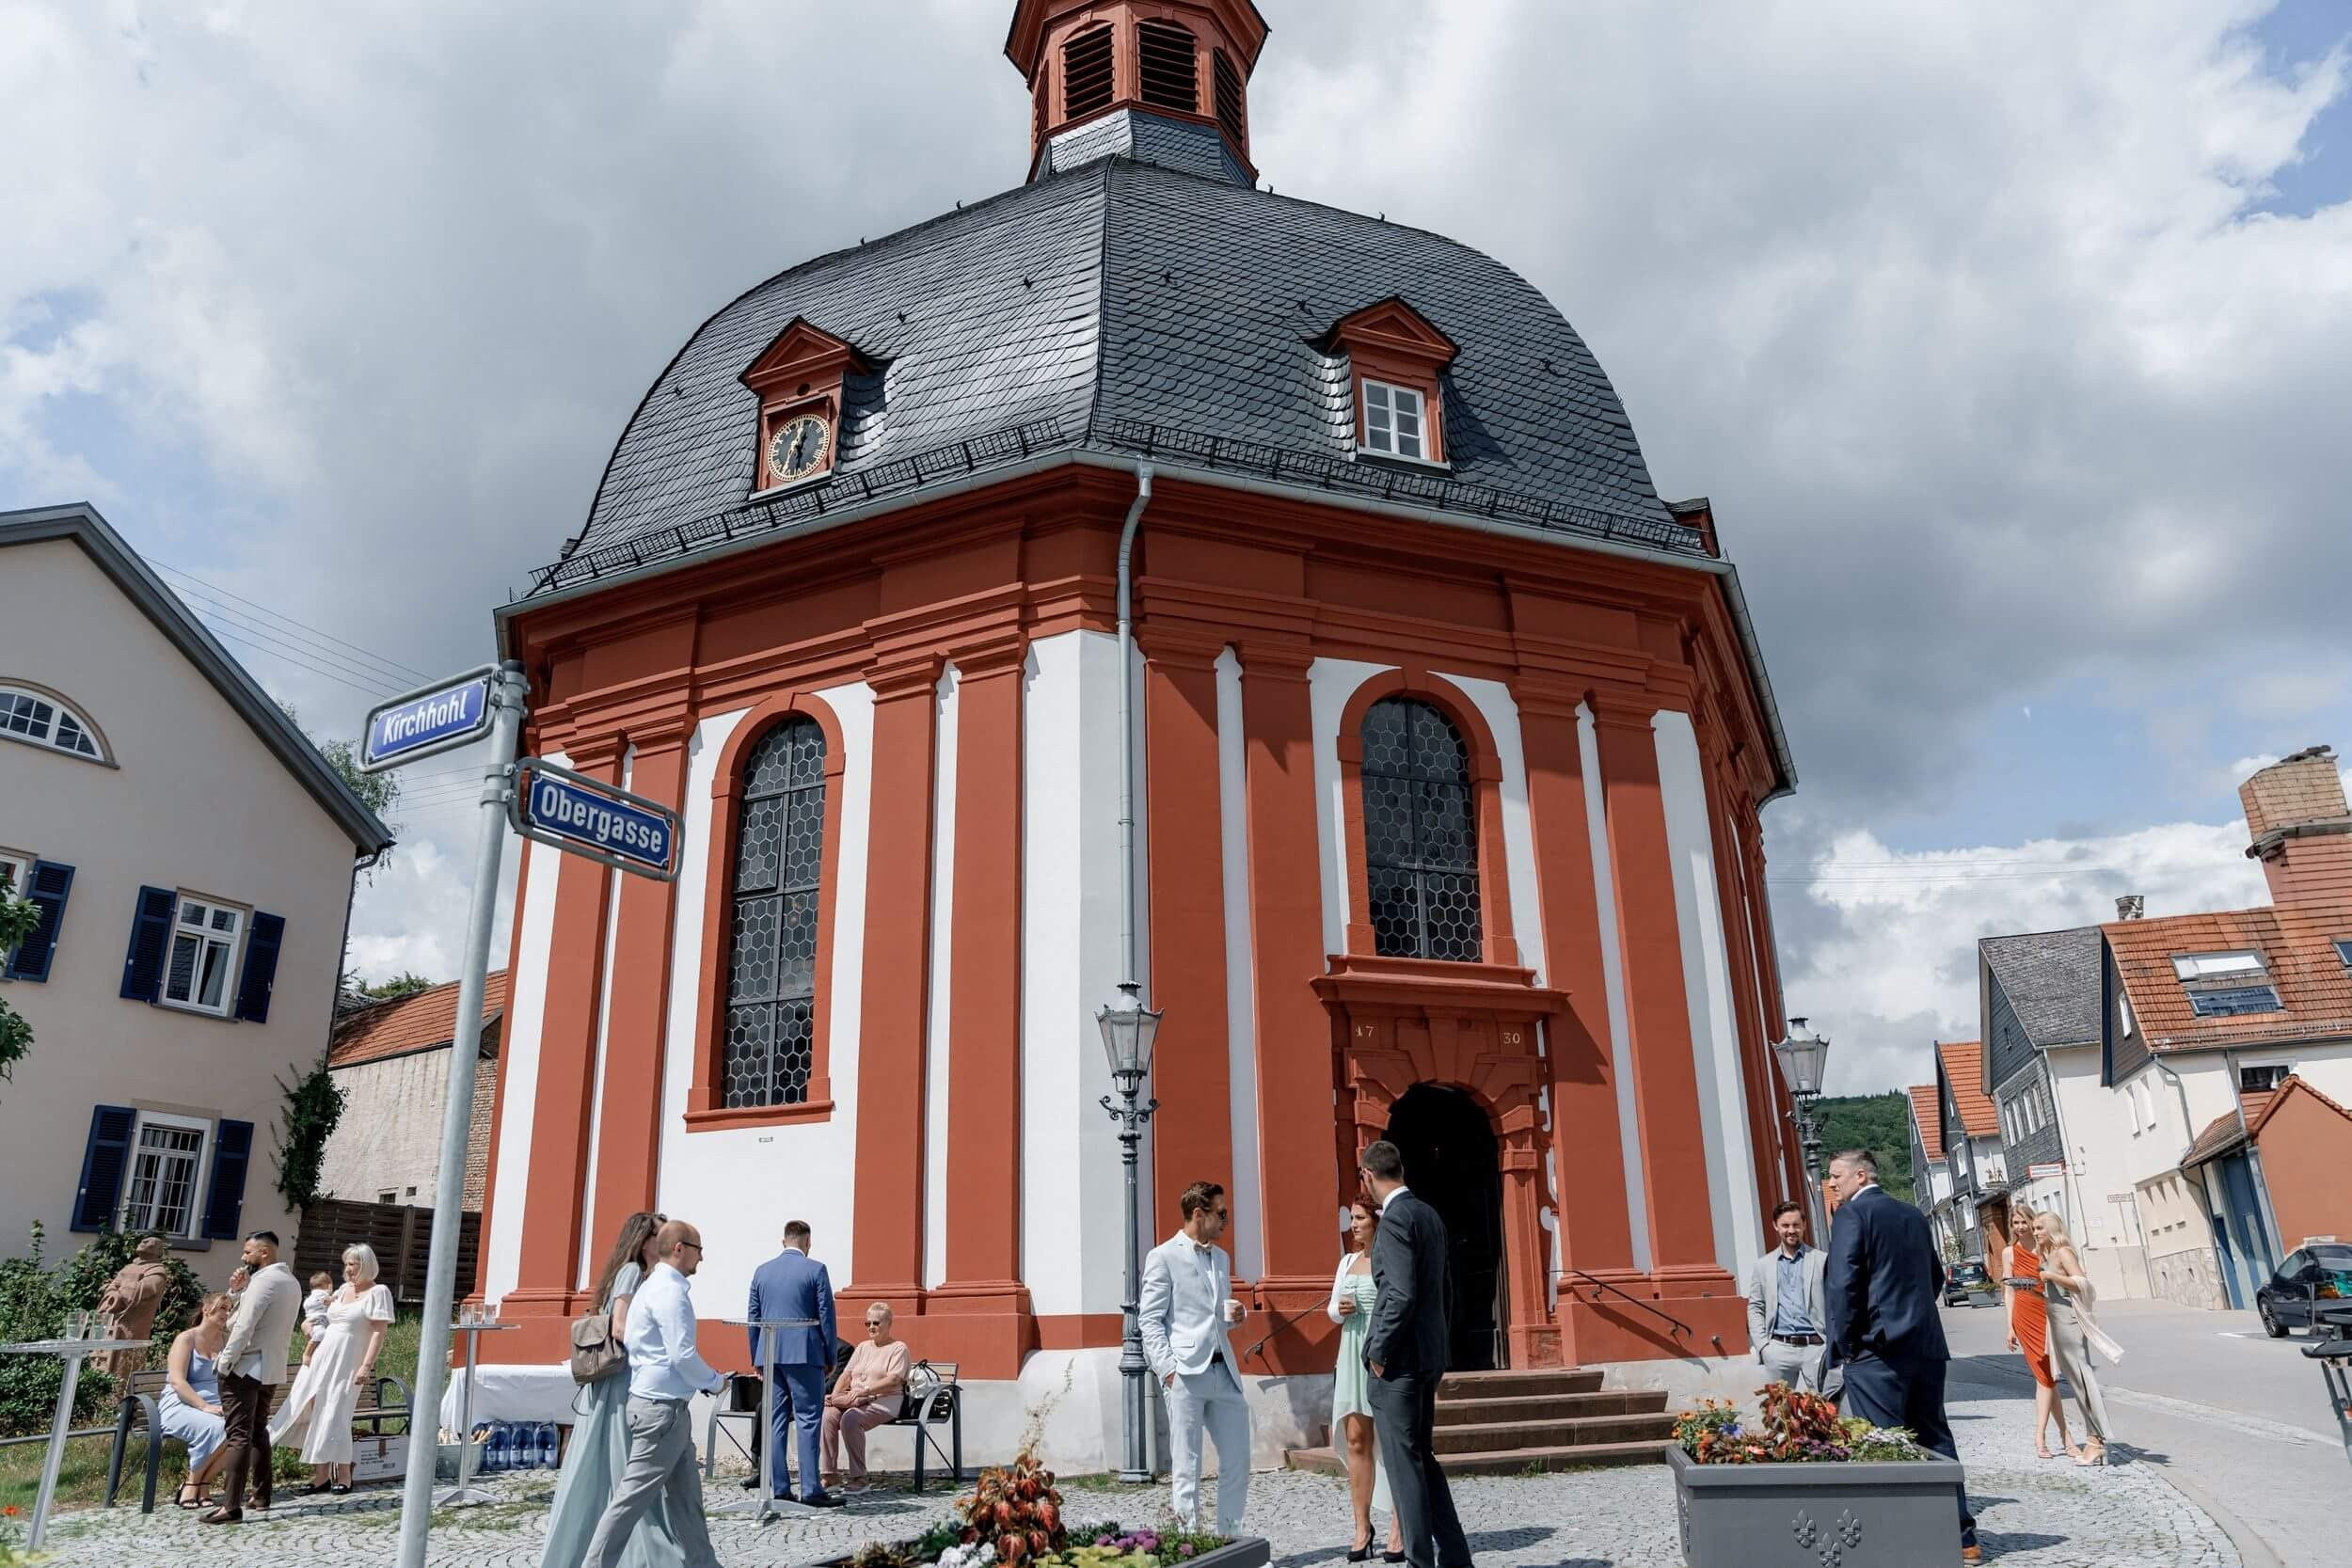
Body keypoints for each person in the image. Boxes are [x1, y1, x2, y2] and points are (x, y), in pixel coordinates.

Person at [1823, 1149, 1977, 1563]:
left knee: (1884, 1444)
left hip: (1878, 1350)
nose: (1831, 1184)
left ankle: (1900, 1542)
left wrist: (1846, 1345)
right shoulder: (1912, 1214)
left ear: (1860, 1175)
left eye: (1836, 1176)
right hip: (1925, 1346)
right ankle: (1962, 1537)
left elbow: (1844, 1285)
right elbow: (1935, 1276)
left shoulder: (1852, 1216)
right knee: (1936, 1438)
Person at [541, 1211, 688, 1568]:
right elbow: (621, 1328)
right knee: (624, 1464)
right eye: (659, 1235)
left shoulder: (645, 1275)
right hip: (623, 1381)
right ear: (644, 1240)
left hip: (623, 1380)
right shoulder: (633, 1272)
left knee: (617, 1463)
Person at [580, 1219, 725, 1568]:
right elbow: (682, 1354)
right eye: (698, 1250)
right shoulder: (669, 1292)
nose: (701, 1259)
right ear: (679, 1249)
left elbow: (630, 1336)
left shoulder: (651, 1285)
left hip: (662, 1407)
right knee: (631, 1499)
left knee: (687, 1498)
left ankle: (703, 1563)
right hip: (661, 1410)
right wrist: (716, 1381)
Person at [1358, 1141, 1470, 1568]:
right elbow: (1444, 1289)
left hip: (1400, 1363)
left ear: (1367, 1175)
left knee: (1406, 1469)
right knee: (1423, 1458)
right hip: (1427, 1359)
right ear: (1400, 1169)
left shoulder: (1397, 1219)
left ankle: (1421, 1562)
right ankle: (1456, 1559)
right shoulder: (1428, 1214)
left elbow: (1399, 1293)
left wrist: (1379, 1350)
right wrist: (1439, 1348)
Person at [1139, 1180, 1251, 1535]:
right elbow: (1149, 1320)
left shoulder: (1221, 1257)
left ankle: (1230, 1539)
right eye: (1221, 1213)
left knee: (1237, 1460)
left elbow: (1213, 1318)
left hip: (1224, 1372)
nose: (1226, 1221)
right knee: (1187, 1466)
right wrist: (1168, 1371)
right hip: (1185, 1374)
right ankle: (1189, 1543)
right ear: (1199, 1214)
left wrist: (1236, 1318)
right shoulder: (1163, 1256)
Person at [270, 1243, 396, 1493]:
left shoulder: (378, 1292)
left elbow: (378, 1333)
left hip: (349, 1361)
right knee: (315, 1407)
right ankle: (321, 1475)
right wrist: (307, 1327)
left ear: (366, 1265)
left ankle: (345, 1474)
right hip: (323, 1356)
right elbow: (321, 1319)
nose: (347, 1270)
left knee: (337, 1412)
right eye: (346, 1264)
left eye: (353, 1264)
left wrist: (365, 1366)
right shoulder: (341, 1290)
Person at [200, 1229, 303, 1526]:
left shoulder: (265, 1282)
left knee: (238, 1436)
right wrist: (236, 1292)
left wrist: (226, 1362)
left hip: (245, 1365)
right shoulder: (290, 1282)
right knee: (258, 1431)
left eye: (248, 1252)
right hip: (270, 1367)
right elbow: (255, 1318)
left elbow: (242, 1326)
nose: (243, 1257)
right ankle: (261, 1495)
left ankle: (230, 1506)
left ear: (264, 1252)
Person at [1327, 1197, 1402, 1563]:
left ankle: (1398, 1525)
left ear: (1376, 1221)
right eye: (1352, 1218)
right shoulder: (1346, 1262)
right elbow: (1332, 1309)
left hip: (1382, 1353)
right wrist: (1339, 1309)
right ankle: (1362, 1527)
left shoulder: (1391, 1258)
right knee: (1357, 1439)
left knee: (1390, 1441)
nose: (1353, 1225)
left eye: (1359, 1218)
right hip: (1351, 1349)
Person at [748, 1219, 839, 1508]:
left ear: (783, 1241)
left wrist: (757, 1358)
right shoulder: (816, 1269)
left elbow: (754, 1318)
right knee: (808, 1419)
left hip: (771, 1353)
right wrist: (830, 1356)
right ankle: (811, 1489)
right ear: (807, 1242)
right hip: (805, 1353)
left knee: (775, 1421)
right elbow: (826, 1316)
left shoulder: (762, 1272)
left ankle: (780, 1487)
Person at [2034, 1210, 2118, 1466]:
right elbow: (2053, 1294)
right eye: (2034, 1228)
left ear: (2051, 1229)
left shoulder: (2062, 1252)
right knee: (2076, 1382)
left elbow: (2082, 1283)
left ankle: (2096, 1442)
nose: (2035, 1233)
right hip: (2057, 1323)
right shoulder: (2046, 1255)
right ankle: (2094, 1440)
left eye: (2040, 1228)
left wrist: (2051, 1276)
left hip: (2069, 1324)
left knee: (2083, 1381)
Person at [2001, 1199, 2074, 1461]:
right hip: (2024, 1315)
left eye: (2024, 1222)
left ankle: (2064, 1437)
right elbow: (2009, 1291)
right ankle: (2044, 1437)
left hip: (2048, 1314)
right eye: (2015, 1223)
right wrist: (2009, 1326)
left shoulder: (2045, 1249)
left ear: (2033, 1223)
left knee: (2049, 1378)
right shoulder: (2009, 1252)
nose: (2020, 1227)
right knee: (2045, 1377)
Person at [821, 1303, 911, 1494]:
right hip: (855, 1398)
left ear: (889, 1323)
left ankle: (859, 1478)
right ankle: (830, 1476)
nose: (871, 1327)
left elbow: (894, 1379)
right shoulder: (862, 1347)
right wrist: (836, 1395)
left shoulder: (898, 1348)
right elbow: (846, 1375)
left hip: (884, 1400)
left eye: (876, 1323)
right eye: (867, 1323)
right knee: (828, 1414)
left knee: (851, 1418)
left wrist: (867, 1390)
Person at [1745, 1200, 1829, 1392]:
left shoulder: (1822, 1260)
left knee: (1822, 1412)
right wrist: (1763, 1347)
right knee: (1778, 1415)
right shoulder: (1763, 1265)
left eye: (1796, 1225)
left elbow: (1835, 1304)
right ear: (1776, 1226)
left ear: (1804, 1225)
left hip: (1816, 1347)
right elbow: (1755, 1306)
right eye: (1785, 1225)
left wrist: (1830, 1344)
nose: (1791, 1230)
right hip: (1778, 1348)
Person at [159, 1293, 233, 1509]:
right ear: (206, 1309)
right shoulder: (186, 1339)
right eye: (222, 1308)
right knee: (220, 1427)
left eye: (229, 1309)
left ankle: (201, 1482)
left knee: (243, 1429)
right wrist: (203, 1406)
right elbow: (177, 1381)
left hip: (216, 1405)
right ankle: (196, 1483)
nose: (226, 1313)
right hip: (182, 1403)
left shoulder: (227, 1341)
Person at [96, 1234, 172, 1376]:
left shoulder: (157, 1271)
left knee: (123, 1368)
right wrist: (114, 1294)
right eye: (144, 1240)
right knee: (103, 1368)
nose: (143, 1241)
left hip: (133, 1328)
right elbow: (110, 1289)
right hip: (112, 1325)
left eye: (150, 1241)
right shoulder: (128, 1268)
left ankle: (121, 1397)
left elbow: (145, 1289)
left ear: (158, 1251)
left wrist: (122, 1288)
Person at [301, 1271, 335, 1354]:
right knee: (320, 1334)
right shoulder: (323, 1294)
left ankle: (311, 1349)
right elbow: (326, 1301)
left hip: (312, 1320)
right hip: (318, 1320)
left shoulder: (310, 1297)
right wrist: (331, 1297)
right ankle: (307, 1353)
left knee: (317, 1335)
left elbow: (307, 1306)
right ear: (329, 1285)